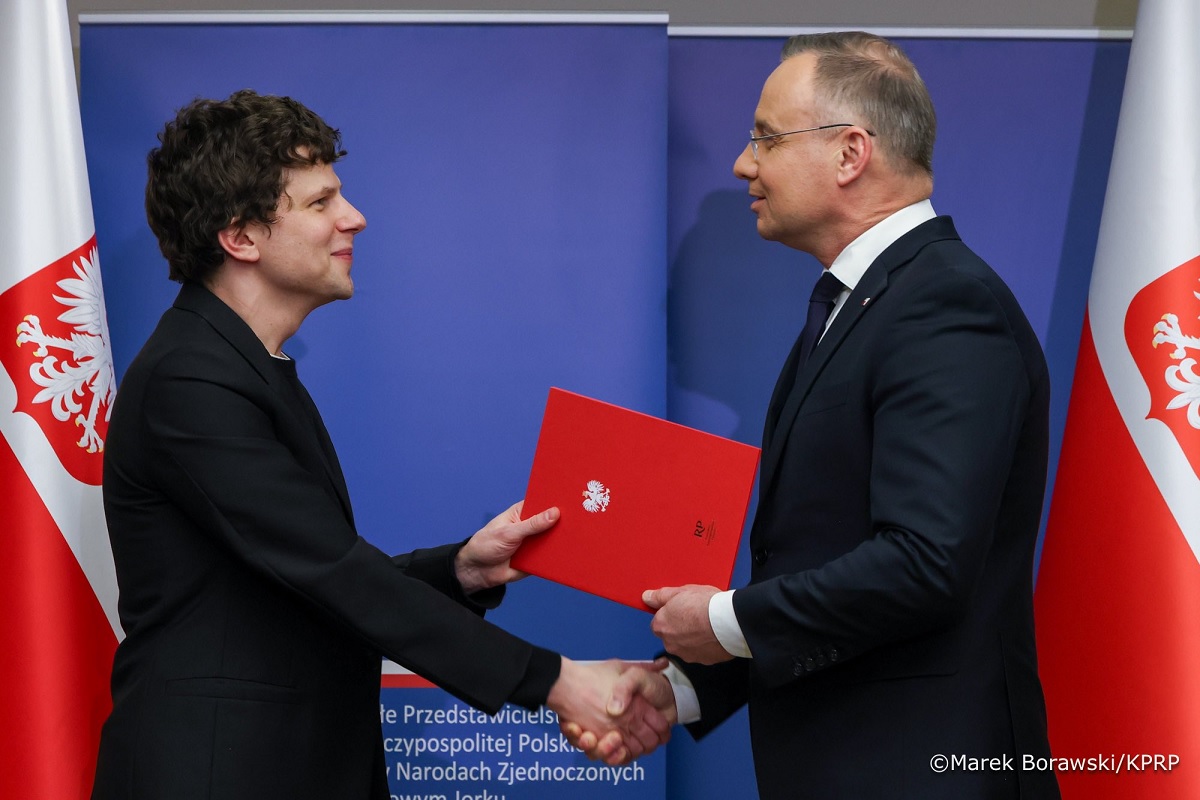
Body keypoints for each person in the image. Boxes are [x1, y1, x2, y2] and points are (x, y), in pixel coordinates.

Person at [91, 89, 668, 800]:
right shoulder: (192, 378)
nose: (353, 217)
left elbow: (288, 583)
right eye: (320, 202)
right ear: (240, 238)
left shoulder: (245, 366)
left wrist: (462, 570)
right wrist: (554, 681)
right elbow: (332, 573)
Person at [584, 31, 1060, 798]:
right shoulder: (866, 304)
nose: (744, 164)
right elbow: (826, 566)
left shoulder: (944, 304)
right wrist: (687, 688)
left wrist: (728, 621)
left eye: (765, 139)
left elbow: (923, 564)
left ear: (850, 154)